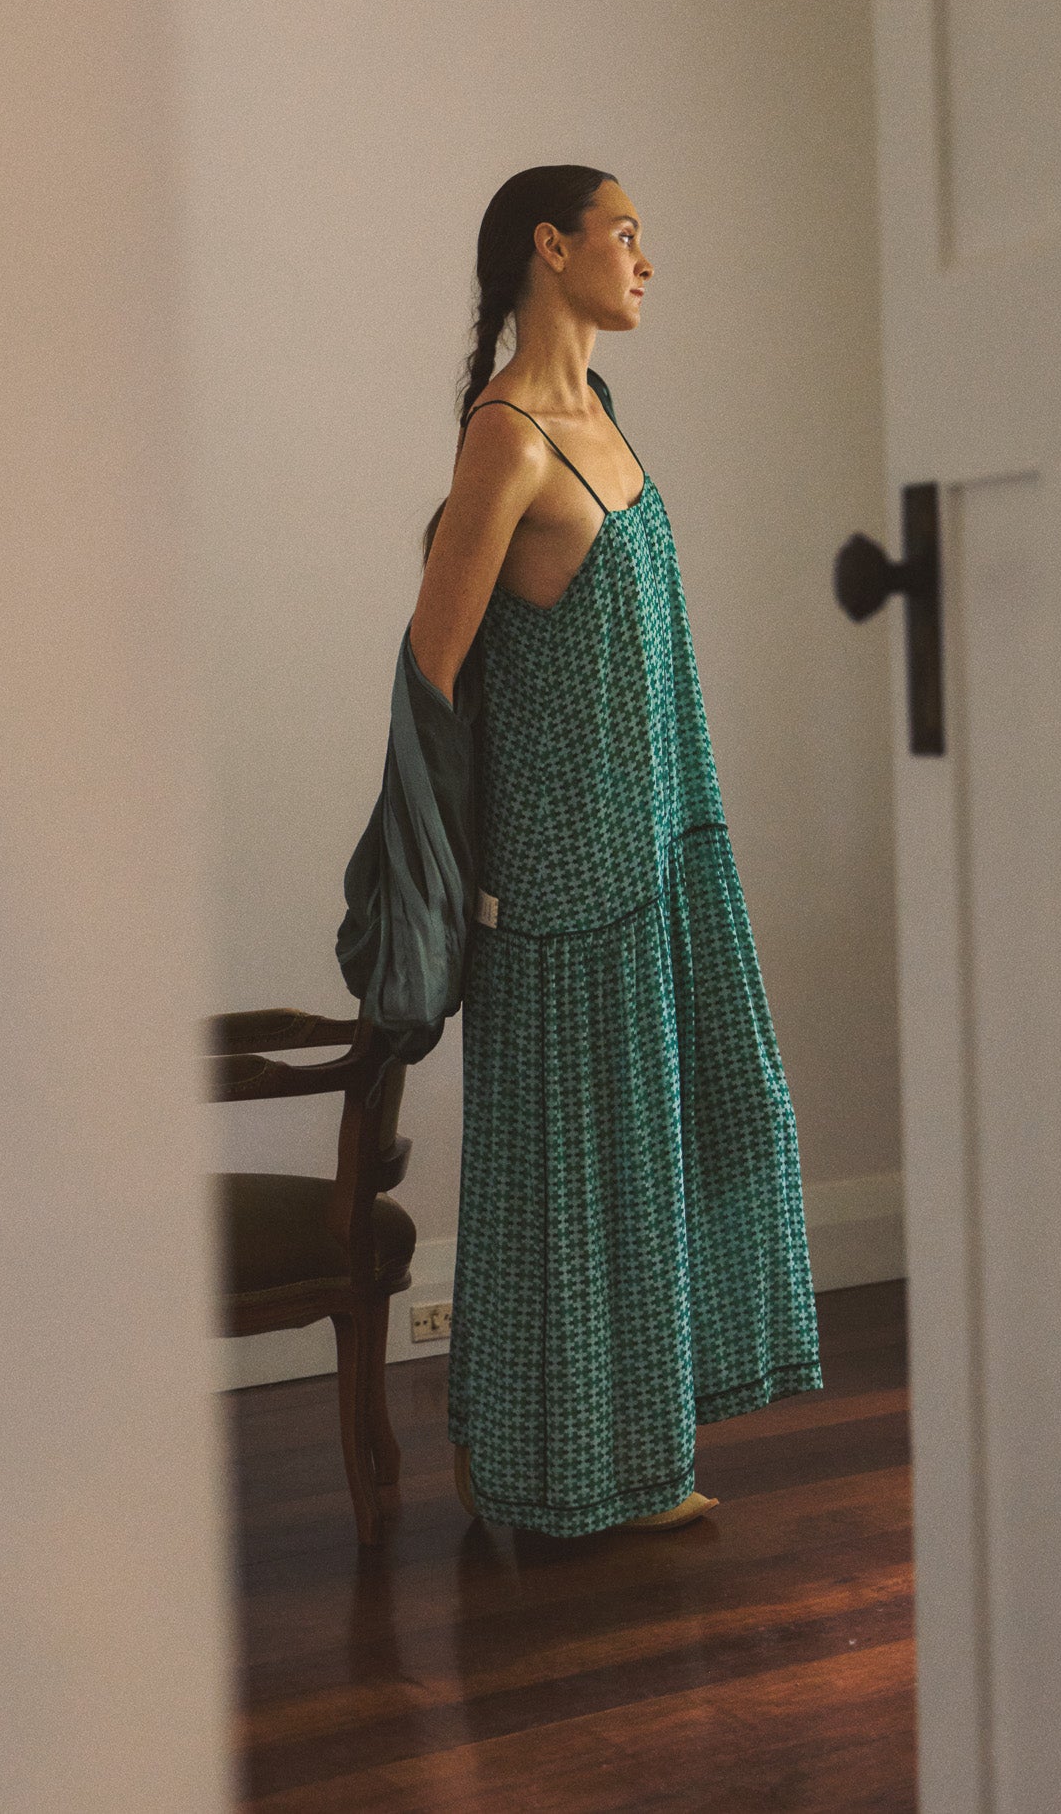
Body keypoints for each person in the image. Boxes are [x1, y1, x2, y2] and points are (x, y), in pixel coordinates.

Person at [409, 164, 821, 1537]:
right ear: (553, 244)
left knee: (697, 1135)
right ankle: (546, 1467)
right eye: (627, 234)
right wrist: (463, 868)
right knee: (568, 1184)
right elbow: (432, 666)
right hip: (557, 876)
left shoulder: (602, 414)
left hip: (660, 842)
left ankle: (633, 1447)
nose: (646, 261)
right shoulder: (508, 438)